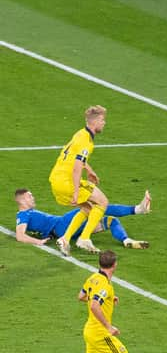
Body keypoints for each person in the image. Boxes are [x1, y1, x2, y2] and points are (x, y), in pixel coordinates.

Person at [49, 250, 152, 353]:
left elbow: (81, 296)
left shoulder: (93, 278)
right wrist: (108, 326)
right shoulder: (104, 284)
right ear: (115, 264)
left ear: (100, 264)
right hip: (100, 333)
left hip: (90, 330)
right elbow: (94, 305)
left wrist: (110, 299)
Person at [49, 105, 110, 255]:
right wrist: (76, 191)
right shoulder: (87, 142)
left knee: (88, 208)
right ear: (94, 122)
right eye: (102, 120)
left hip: (56, 180)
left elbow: (71, 155)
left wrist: (89, 170)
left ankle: (65, 239)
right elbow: (76, 168)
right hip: (67, 182)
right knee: (102, 202)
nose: (104, 123)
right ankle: (84, 239)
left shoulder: (80, 134)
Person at [14, 189, 151, 249]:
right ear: (23, 199)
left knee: (111, 221)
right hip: (61, 225)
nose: (33, 198)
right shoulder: (23, 215)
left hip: (67, 229)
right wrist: (38, 242)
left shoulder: (28, 213)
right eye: (30, 196)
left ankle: (126, 240)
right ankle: (138, 209)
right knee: (97, 205)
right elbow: (20, 236)